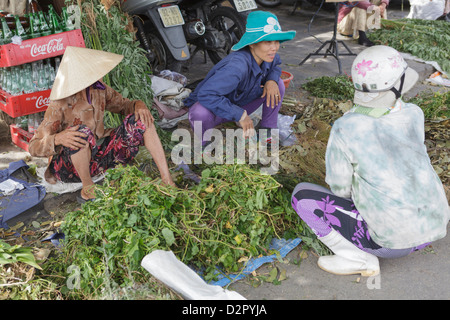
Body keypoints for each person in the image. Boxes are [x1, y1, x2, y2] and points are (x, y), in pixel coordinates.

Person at [291, 45, 449, 276]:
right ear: (399, 86)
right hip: (434, 226)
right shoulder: (415, 113)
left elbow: (341, 189)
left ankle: (357, 258)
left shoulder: (346, 127)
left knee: (302, 196)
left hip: (391, 243)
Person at [28, 46, 175, 203]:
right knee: (80, 132)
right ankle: (87, 188)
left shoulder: (99, 90)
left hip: (99, 159)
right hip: (69, 168)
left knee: (142, 119)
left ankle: (167, 179)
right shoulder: (59, 104)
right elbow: (33, 147)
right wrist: (58, 139)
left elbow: (126, 106)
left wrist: (139, 104)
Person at [183, 11, 296, 147]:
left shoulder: (268, 56)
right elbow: (206, 94)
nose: (274, 48)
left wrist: (271, 80)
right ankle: (204, 143)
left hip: (240, 102)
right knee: (199, 111)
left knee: (278, 84)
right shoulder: (237, 67)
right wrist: (240, 115)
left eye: (276, 42)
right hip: (215, 111)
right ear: (252, 44)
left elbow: (276, 66)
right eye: (267, 42)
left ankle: (267, 129)